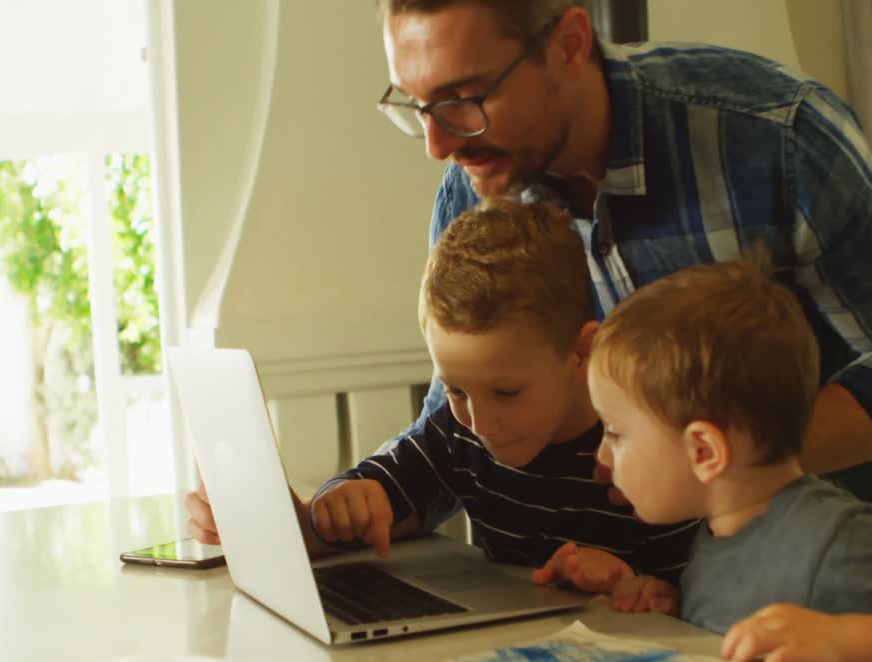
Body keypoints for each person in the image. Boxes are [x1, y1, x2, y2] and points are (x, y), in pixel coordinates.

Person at [374, 0, 872, 517]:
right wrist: (351, 507)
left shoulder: (775, 136)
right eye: (418, 105)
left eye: (464, 98)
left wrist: (720, 466)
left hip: (835, 561)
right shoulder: (473, 187)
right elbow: (460, 421)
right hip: (638, 587)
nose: (438, 145)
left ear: (568, 44)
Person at [191, 199, 696, 588]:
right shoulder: (459, 434)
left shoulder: (637, 450)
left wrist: (637, 586)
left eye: (506, 391)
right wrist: (333, 509)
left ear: (581, 353)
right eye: (454, 389)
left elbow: (694, 595)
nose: (480, 421)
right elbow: (384, 484)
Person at [577, 253, 872, 662]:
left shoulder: (830, 536)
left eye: (615, 433)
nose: (602, 453)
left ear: (704, 452)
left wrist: (838, 640)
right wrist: (677, 607)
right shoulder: (717, 534)